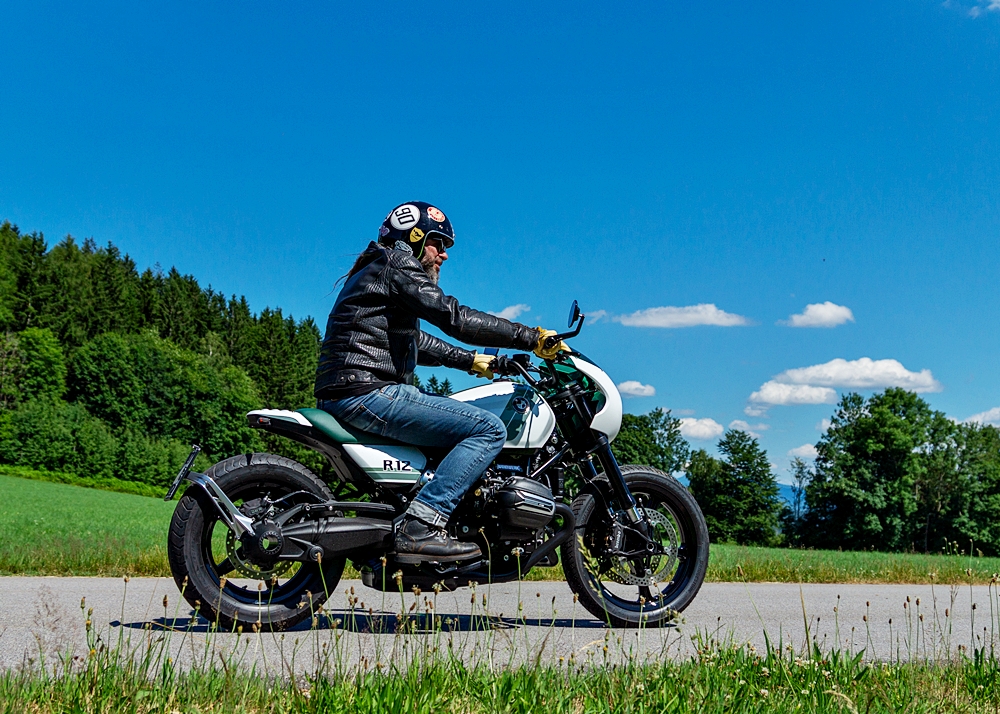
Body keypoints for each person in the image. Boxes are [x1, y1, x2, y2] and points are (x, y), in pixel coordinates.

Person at [315, 201, 566, 563]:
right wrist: (531, 337)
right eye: (438, 243)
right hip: (369, 392)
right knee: (488, 429)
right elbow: (453, 316)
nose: (444, 255)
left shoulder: (379, 267)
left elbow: (413, 340)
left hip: (355, 389)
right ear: (413, 238)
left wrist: (474, 360)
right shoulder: (396, 262)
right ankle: (422, 525)